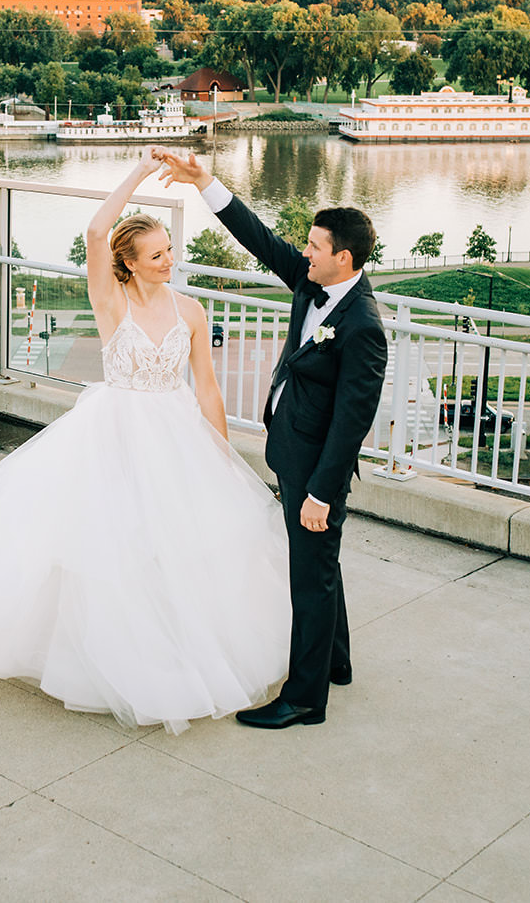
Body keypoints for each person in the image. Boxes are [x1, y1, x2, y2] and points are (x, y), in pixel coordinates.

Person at [0, 152, 290, 734]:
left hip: (176, 434)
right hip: (114, 431)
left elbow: (207, 387)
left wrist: (220, 452)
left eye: (169, 251)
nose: (168, 261)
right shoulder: (111, 301)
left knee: (177, 544)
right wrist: (135, 176)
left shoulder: (191, 310)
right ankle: (105, 659)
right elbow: (95, 231)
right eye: (156, 255)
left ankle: (174, 649)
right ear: (127, 265)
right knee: (112, 543)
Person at [155, 148, 388, 729]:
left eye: (314, 245)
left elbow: (352, 422)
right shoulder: (313, 284)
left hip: (316, 470)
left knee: (308, 577)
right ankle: (335, 662)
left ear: (345, 258)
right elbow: (260, 240)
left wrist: (321, 493)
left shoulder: (362, 327)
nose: (303, 251)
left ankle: (306, 699)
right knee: (319, 565)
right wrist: (205, 182)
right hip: (291, 450)